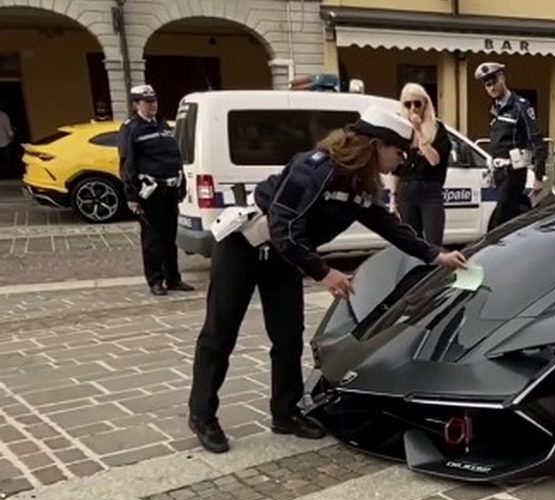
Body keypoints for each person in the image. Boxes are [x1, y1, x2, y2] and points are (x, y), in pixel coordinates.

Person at [187, 105, 468, 454]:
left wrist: (434, 254)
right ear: (377, 145)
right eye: (397, 151)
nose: (400, 160)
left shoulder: (361, 183)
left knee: (288, 336)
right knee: (220, 332)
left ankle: (285, 412)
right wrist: (324, 272)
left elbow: (387, 225)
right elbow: (282, 225)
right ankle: (202, 415)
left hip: (284, 255)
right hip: (244, 246)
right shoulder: (316, 167)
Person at [117, 84, 194, 296]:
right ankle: (155, 281)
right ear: (136, 104)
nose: (153, 105)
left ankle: (173, 279)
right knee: (152, 239)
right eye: (147, 102)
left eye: (154, 101)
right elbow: (127, 163)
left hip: (169, 190)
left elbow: (174, 157)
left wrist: (182, 184)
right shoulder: (132, 128)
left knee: (170, 237)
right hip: (149, 193)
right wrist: (131, 195)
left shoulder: (163, 125)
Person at [473, 62, 547, 231]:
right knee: (508, 221)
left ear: (502, 78)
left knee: (499, 221)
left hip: (514, 171)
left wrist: (538, 176)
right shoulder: (494, 109)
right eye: (487, 85)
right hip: (499, 173)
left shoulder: (520, 106)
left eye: (494, 82)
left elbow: (537, 140)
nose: (491, 88)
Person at [392, 83, 452, 245]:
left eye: (417, 103)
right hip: (406, 192)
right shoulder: (400, 129)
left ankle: (434, 270)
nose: (413, 108)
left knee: (433, 243)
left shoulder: (437, 128)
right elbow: (396, 169)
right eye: (408, 104)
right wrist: (393, 197)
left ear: (425, 104)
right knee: (412, 243)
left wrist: (419, 131)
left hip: (430, 192)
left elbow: (434, 160)